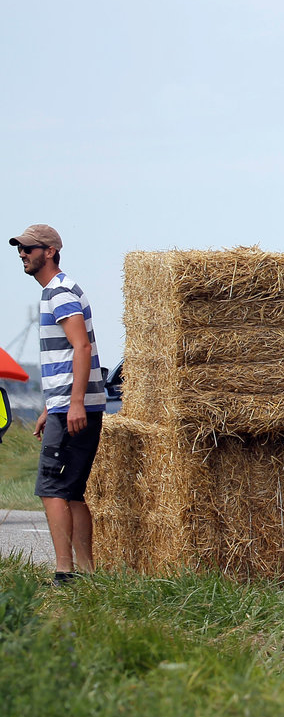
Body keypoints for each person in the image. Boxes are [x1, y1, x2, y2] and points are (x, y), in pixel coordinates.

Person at [10, 224, 106, 583]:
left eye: (29, 248)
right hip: (66, 405)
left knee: (51, 489)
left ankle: (65, 572)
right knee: (72, 492)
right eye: (19, 249)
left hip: (73, 408)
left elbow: (81, 347)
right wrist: (51, 407)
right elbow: (66, 356)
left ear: (49, 251)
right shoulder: (58, 291)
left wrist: (73, 403)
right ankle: (87, 573)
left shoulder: (59, 292)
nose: (22, 254)